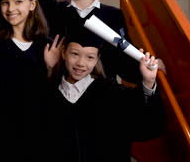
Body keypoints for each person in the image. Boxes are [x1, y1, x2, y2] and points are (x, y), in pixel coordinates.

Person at [43, 25, 166, 162]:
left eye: (90, 57)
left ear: (97, 59)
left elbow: (150, 126)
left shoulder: (112, 93)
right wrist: (50, 69)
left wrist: (148, 82)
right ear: (64, 53)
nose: (81, 63)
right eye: (75, 54)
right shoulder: (50, 95)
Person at [0, 0, 57, 162]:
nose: (10, 8)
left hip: (39, 132)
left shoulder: (47, 45)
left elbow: (56, 96)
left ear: (32, 4)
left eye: (18, 1)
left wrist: (51, 69)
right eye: (5, 2)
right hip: (1, 132)